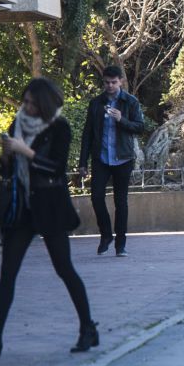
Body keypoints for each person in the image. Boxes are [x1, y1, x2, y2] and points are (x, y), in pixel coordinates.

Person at [0, 77, 97, 358]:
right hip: (23, 207)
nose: (25, 106)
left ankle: (88, 328)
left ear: (44, 104)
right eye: (24, 101)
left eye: (31, 103)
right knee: (8, 272)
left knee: (64, 268)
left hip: (50, 205)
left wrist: (26, 151)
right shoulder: (18, 124)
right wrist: (5, 157)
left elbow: (57, 169)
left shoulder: (60, 127)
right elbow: (6, 171)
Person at [77, 65, 147, 256]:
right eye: (106, 82)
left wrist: (121, 119)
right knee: (96, 197)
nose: (110, 86)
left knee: (120, 202)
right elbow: (87, 134)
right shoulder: (96, 103)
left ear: (121, 81)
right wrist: (83, 162)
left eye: (113, 82)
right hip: (101, 158)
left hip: (123, 158)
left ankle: (120, 244)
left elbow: (140, 127)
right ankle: (106, 234)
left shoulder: (130, 102)